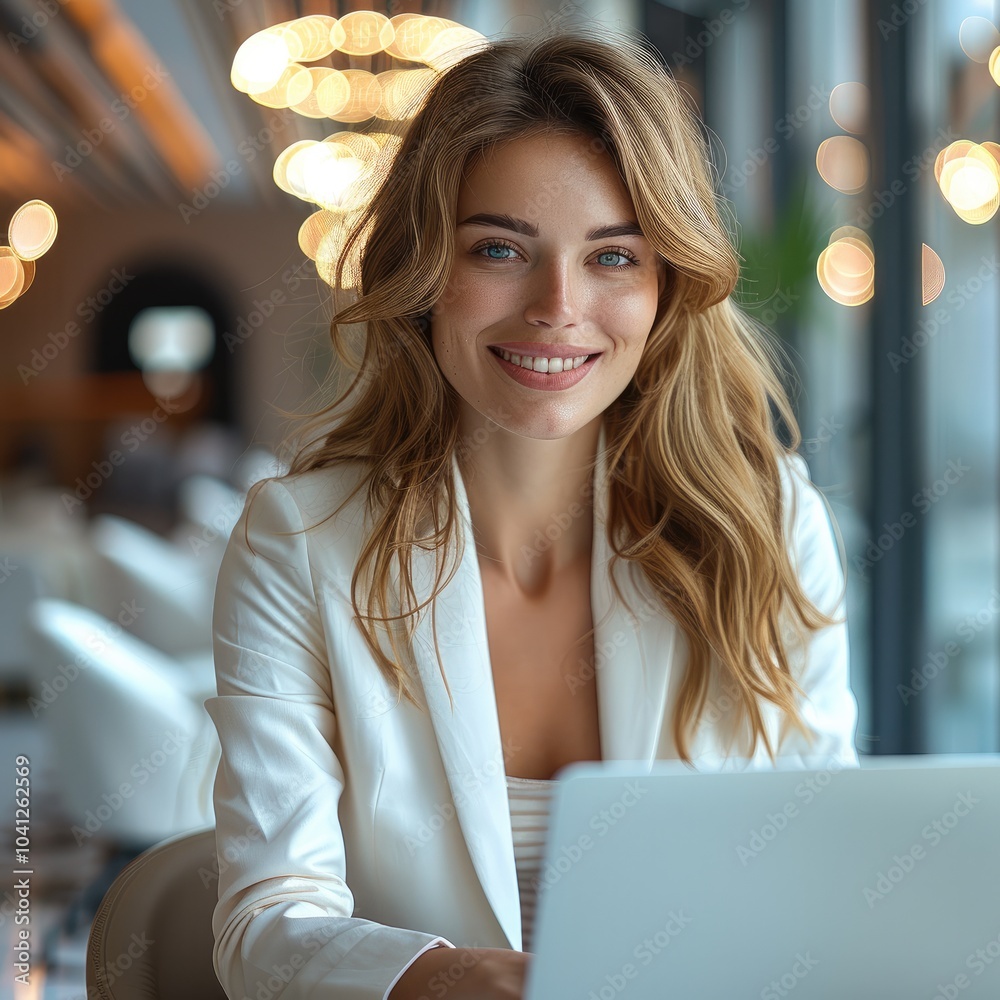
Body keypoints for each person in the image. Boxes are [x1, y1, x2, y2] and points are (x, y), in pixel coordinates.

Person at [205, 23, 859, 1000]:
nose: (557, 306)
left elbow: (830, 869)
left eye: (611, 257)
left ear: (666, 284)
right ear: (425, 274)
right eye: (501, 249)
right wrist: (437, 978)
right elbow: (265, 923)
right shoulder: (297, 542)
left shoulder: (768, 522)